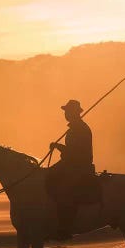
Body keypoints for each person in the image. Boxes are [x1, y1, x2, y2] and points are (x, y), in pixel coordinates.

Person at [45, 99, 94, 240]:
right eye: (65, 111)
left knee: (64, 189)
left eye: (68, 111)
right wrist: (58, 146)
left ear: (74, 113)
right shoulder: (74, 128)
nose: (65, 114)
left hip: (79, 166)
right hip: (70, 163)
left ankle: (65, 227)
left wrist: (58, 147)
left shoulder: (81, 129)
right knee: (47, 175)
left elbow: (76, 152)